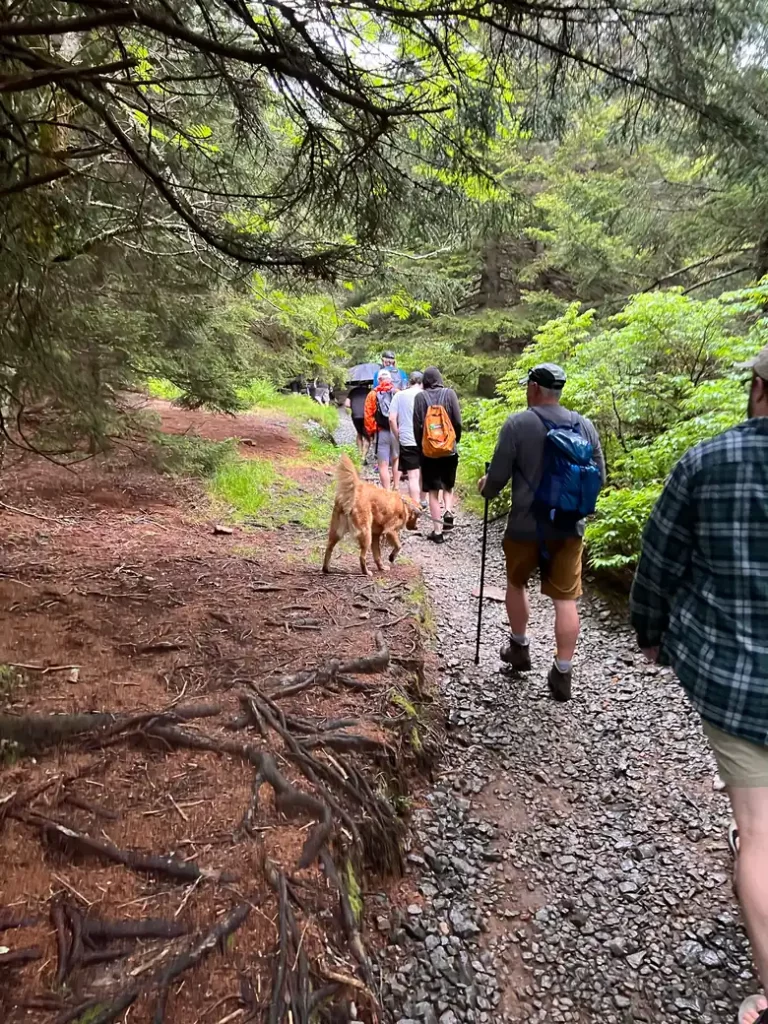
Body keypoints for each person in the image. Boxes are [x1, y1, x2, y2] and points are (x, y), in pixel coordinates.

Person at [629, 345, 768, 1024]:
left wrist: (649, 630)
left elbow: (658, 560)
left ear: (759, 386)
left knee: (759, 836)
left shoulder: (709, 460)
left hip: (740, 682)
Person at [477, 363, 605, 701]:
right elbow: (600, 478)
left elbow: (496, 480)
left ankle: (519, 648)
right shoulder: (585, 425)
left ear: (534, 388)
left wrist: (485, 486)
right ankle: (562, 672)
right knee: (566, 599)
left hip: (525, 526)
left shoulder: (517, 424)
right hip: (568, 528)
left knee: (516, 583)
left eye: (527, 386)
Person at [413, 367, 462, 543]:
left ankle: (437, 531)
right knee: (448, 485)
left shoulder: (420, 398)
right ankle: (448, 510)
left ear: (425, 381)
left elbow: (417, 425)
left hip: (429, 453)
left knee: (433, 491)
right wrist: (454, 441)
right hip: (449, 450)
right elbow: (457, 421)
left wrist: (421, 446)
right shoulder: (450, 394)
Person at [389, 371, 424, 505]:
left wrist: (398, 435)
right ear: (422, 382)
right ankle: (423, 500)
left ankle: (415, 506)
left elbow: (392, 419)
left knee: (412, 476)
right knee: (423, 472)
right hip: (425, 441)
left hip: (407, 439)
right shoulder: (425, 395)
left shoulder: (399, 395)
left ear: (409, 382)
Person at [363, 369, 396, 490]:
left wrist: (372, 432)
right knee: (396, 461)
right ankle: (396, 488)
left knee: (383, 464)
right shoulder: (397, 393)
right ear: (390, 379)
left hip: (381, 431)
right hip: (396, 432)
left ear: (379, 380)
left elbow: (368, 416)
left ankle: (387, 492)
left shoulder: (372, 394)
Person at [345, 381, 370, 460]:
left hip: (355, 415)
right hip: (366, 415)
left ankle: (359, 453)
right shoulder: (370, 392)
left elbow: (347, 404)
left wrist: (354, 407)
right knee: (367, 436)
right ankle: (363, 457)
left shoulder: (353, 391)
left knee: (359, 433)